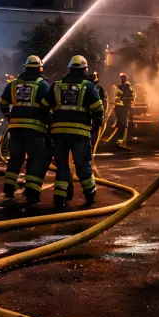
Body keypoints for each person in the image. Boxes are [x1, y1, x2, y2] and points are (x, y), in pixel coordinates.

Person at [50, 55, 105, 208]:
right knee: (82, 164)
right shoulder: (87, 86)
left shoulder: (57, 85)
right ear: (85, 69)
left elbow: (44, 105)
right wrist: (96, 126)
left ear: (70, 69)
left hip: (59, 133)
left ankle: (60, 198)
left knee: (62, 166)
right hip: (80, 133)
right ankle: (90, 194)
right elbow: (98, 109)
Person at [0, 55, 53, 204]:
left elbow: (3, 103)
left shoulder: (13, 84)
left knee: (16, 157)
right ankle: (33, 192)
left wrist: (9, 116)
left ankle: (9, 186)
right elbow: (49, 105)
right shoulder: (42, 85)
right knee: (37, 158)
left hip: (15, 129)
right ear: (39, 68)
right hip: (35, 129)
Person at [85, 66, 109, 155]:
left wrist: (104, 114)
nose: (94, 77)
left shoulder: (100, 88)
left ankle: (91, 153)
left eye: (95, 75)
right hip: (87, 116)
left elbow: (104, 102)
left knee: (94, 136)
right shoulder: (85, 87)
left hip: (96, 116)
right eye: (93, 75)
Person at [113, 73, 136, 150]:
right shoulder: (125, 87)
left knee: (121, 125)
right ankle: (121, 143)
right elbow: (130, 98)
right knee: (123, 126)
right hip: (123, 108)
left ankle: (120, 142)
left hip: (119, 108)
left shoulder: (118, 87)